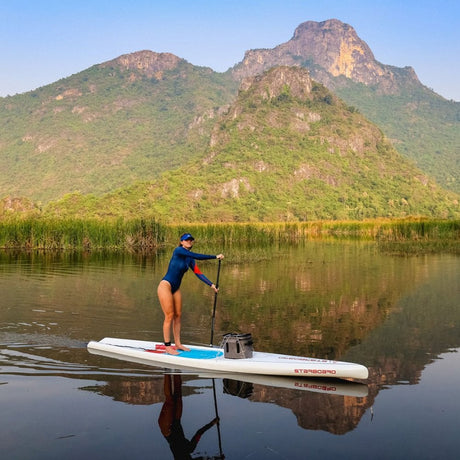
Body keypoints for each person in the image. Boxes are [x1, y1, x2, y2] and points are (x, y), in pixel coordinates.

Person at [157, 233, 224, 355]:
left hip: (175, 288)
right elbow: (196, 255)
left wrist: (211, 285)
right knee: (169, 315)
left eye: (191, 240)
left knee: (178, 315)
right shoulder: (178, 251)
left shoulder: (190, 260)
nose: (189, 241)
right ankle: (167, 346)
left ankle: (178, 344)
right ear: (181, 242)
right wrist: (215, 256)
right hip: (165, 286)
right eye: (186, 240)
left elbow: (198, 273)